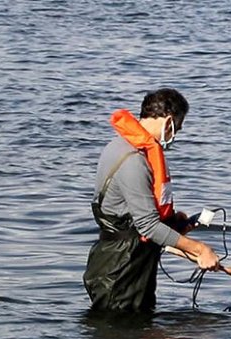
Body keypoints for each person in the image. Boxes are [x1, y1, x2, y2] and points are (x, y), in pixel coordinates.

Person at [84, 88, 219, 312]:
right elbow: (148, 226)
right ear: (168, 123)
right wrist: (200, 249)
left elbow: (135, 216)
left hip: (123, 263)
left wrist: (176, 226)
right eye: (179, 129)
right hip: (121, 273)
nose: (176, 136)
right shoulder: (134, 161)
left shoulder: (118, 146)